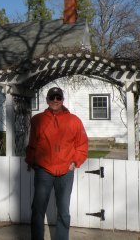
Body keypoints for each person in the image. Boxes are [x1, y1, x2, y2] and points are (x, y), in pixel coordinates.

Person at [25, 87, 88, 240]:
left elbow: (82, 145)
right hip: (44, 170)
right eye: (52, 97)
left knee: (64, 212)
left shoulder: (74, 120)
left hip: (66, 171)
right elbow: (32, 144)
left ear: (62, 100)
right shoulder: (37, 120)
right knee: (38, 210)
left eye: (58, 97)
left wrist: (75, 161)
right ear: (47, 100)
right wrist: (32, 161)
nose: (55, 100)